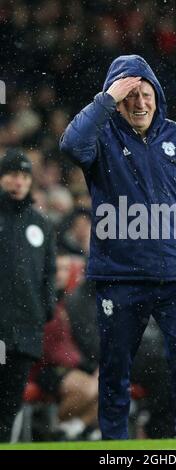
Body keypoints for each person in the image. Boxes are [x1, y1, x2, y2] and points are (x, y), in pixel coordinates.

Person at [60, 54, 176, 439]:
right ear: (115, 100)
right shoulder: (100, 138)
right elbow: (70, 145)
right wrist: (104, 100)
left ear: (157, 95)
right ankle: (114, 444)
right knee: (115, 366)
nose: (139, 102)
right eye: (128, 95)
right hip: (119, 275)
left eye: (145, 93)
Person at [0, 148, 56, 442]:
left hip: (26, 332)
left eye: (23, 176)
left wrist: (45, 309)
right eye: (11, 175)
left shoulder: (41, 224)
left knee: (9, 406)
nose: (18, 182)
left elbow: (49, 274)